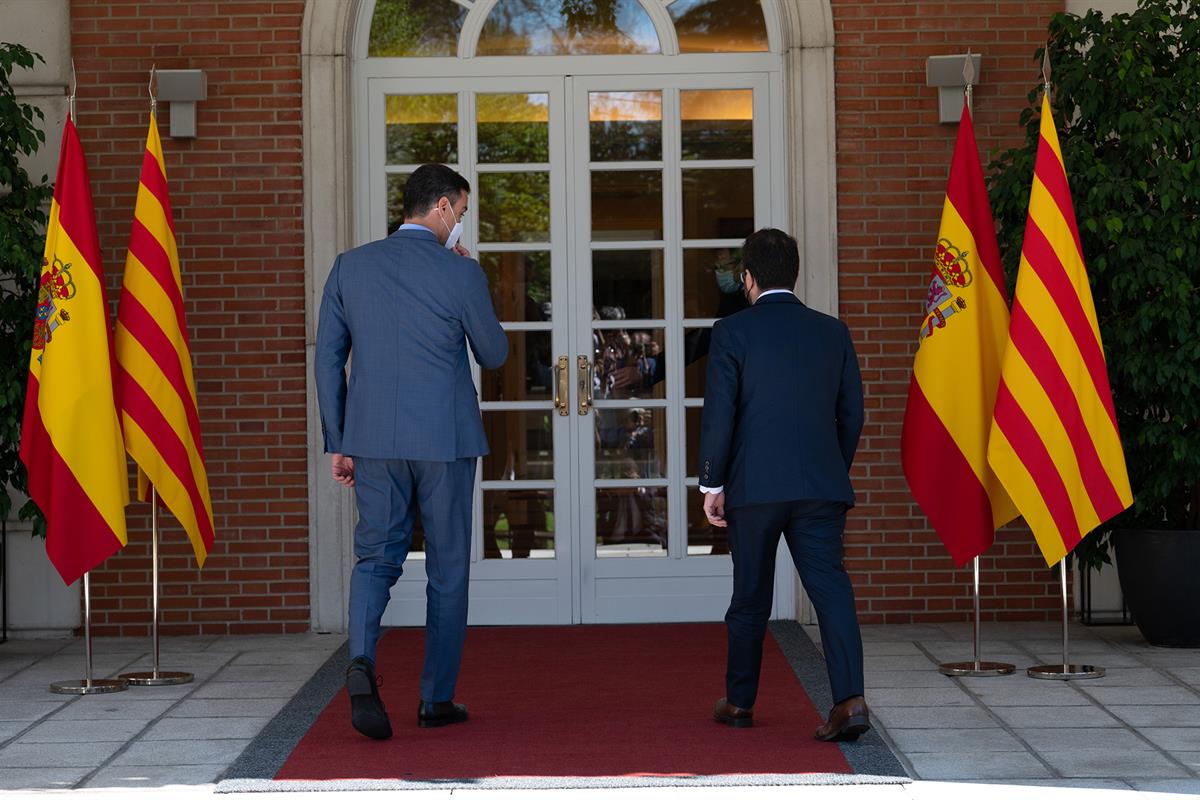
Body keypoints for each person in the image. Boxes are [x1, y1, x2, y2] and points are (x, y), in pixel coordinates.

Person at [315, 164, 508, 740]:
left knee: (375, 557)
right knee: (447, 570)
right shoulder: (459, 272)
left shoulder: (350, 267)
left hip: (371, 439)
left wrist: (340, 438)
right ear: (444, 208)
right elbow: (493, 353)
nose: (461, 224)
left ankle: (362, 663)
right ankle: (435, 700)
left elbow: (327, 359)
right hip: (445, 441)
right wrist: (472, 276)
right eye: (462, 213)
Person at [696, 227, 869, 742]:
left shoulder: (732, 332)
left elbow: (720, 416)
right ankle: (850, 702)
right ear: (792, 275)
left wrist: (713, 484)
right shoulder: (832, 331)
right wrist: (829, 467)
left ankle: (740, 702)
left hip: (755, 488)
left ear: (747, 279)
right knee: (832, 591)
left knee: (750, 596)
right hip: (820, 485)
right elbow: (853, 415)